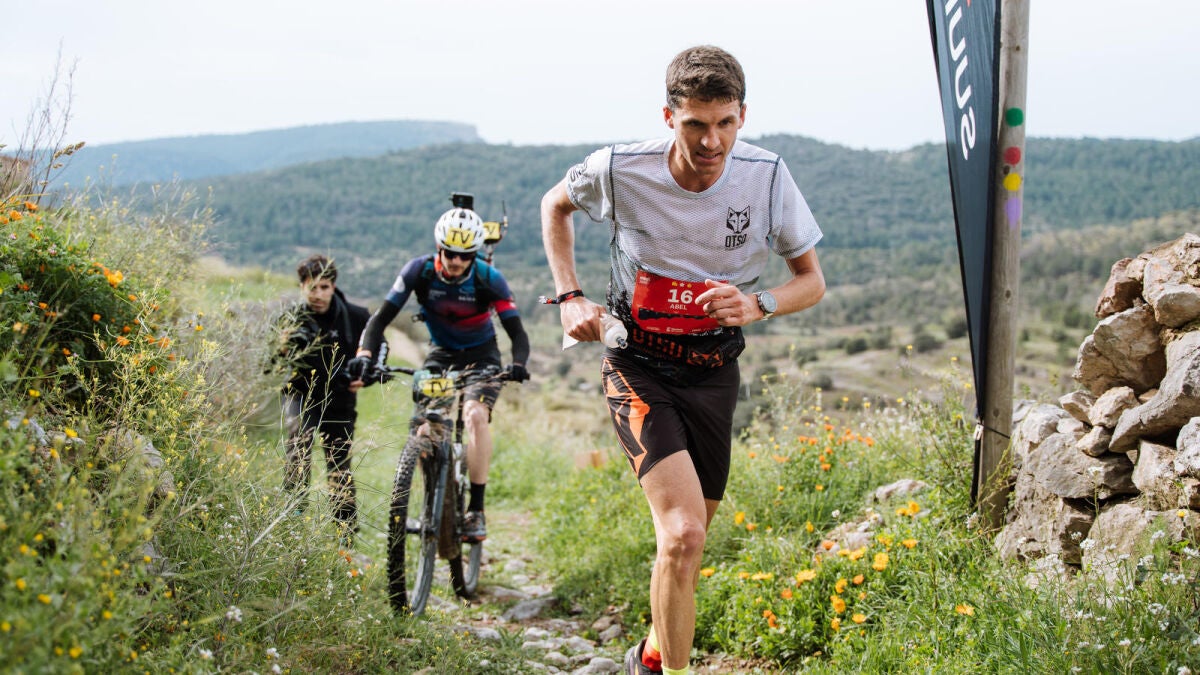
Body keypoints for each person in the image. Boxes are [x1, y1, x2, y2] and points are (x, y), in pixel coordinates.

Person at [540, 45, 825, 675]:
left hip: (715, 372)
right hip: (637, 362)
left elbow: (811, 281)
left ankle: (650, 653)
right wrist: (569, 297)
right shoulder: (621, 167)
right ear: (669, 117)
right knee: (682, 534)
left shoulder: (767, 177)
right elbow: (553, 206)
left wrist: (757, 304)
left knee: (691, 543)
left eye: (725, 123)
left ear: (743, 116)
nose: (711, 141)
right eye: (695, 124)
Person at [352, 204, 531, 543]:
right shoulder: (418, 271)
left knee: (475, 415)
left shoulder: (489, 278)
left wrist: (519, 363)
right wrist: (365, 355)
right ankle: (431, 491)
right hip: (440, 355)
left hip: (482, 357)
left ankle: (476, 509)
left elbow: (517, 333)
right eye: (450, 253)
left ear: (474, 254)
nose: (456, 261)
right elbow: (379, 320)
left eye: (465, 256)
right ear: (439, 248)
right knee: (424, 424)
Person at [277, 254, 375, 544]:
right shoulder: (290, 318)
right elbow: (269, 365)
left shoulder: (357, 317)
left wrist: (365, 377)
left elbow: (376, 351)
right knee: (298, 446)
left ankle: (345, 538)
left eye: (324, 287)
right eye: (311, 287)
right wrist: (281, 349)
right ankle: (291, 527)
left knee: (338, 464)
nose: (317, 295)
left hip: (339, 397)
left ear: (333, 286)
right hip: (300, 393)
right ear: (302, 287)